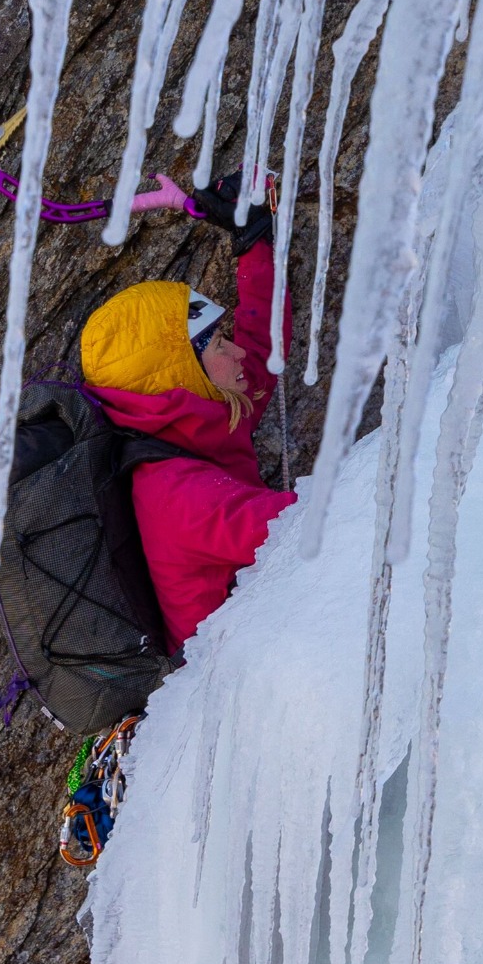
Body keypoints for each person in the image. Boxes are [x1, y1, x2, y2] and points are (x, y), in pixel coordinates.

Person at [78, 171, 294, 652]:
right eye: (219, 343)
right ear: (179, 372)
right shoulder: (175, 493)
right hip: (228, 680)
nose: (237, 352)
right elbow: (299, 527)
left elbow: (261, 348)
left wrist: (254, 239)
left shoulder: (198, 417)